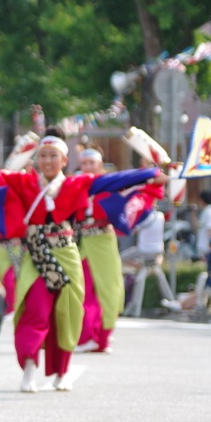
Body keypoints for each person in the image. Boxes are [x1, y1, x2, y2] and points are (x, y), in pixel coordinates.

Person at [0, 131, 167, 393]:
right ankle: (28, 369)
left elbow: (115, 180)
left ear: (63, 160)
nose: (47, 161)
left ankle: (63, 371)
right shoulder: (25, 183)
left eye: (53, 156)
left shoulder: (76, 185)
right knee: (34, 310)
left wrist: (150, 175)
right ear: (36, 159)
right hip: (36, 254)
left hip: (67, 252)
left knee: (69, 312)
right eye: (43, 156)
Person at [72, 148, 124, 354]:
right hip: (82, 242)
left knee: (109, 289)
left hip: (103, 240)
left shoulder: (109, 186)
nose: (87, 167)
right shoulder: (75, 185)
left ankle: (103, 337)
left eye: (91, 163)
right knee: (83, 291)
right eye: (84, 163)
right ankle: (86, 336)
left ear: (100, 165)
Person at [194, 189, 211, 261]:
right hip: (203, 247)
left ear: (202, 200)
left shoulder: (210, 212)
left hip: (207, 248)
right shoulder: (205, 212)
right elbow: (198, 227)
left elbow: (210, 230)